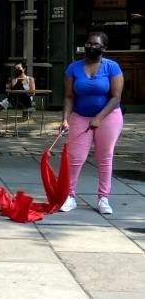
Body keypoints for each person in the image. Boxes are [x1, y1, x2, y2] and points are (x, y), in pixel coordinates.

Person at [59, 30, 123, 215]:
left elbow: (116, 97)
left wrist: (99, 118)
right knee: (75, 157)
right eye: (88, 43)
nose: (91, 47)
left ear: (103, 48)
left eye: (95, 44)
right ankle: (69, 196)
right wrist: (65, 119)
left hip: (108, 117)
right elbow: (69, 96)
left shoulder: (112, 67)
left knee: (105, 157)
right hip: (80, 115)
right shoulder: (73, 67)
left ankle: (103, 198)